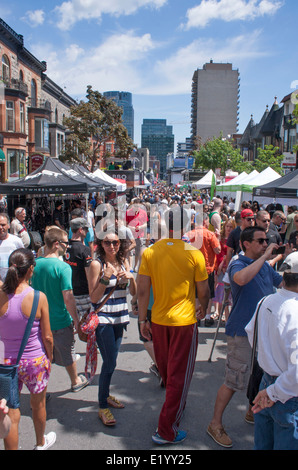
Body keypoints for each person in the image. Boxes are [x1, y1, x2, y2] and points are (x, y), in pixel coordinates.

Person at [137, 207, 210, 444]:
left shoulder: (150, 252)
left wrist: (141, 319)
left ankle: (174, 408)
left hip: (158, 320)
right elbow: (204, 290)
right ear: (187, 224)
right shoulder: (193, 253)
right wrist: (204, 307)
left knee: (170, 373)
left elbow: (142, 290)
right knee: (179, 376)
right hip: (184, 322)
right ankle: (166, 430)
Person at [207, 226, 283, 448]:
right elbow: (239, 280)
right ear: (246, 244)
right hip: (242, 332)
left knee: (261, 375)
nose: (265, 244)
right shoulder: (238, 263)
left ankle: (252, 410)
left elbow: (284, 284)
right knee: (234, 380)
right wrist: (267, 257)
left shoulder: (264, 267)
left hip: (265, 333)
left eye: (265, 241)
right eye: (260, 241)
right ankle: (215, 424)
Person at [0, 248, 55, 450]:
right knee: (38, 404)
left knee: (11, 413)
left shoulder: (0, 295)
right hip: (34, 360)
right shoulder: (38, 297)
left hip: (5, 362)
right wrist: (49, 357)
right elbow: (47, 336)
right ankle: (40, 443)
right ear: (31, 269)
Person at [245, 252, 298, 450]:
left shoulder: (265, 301)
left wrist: (270, 358)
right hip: (287, 393)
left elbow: (253, 335)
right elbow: (296, 374)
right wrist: (274, 391)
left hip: (268, 382)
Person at [88, 232, 136, 426]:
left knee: (112, 361)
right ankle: (102, 405)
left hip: (120, 317)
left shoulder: (123, 261)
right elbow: (93, 297)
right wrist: (106, 278)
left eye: (115, 242)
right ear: (101, 244)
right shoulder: (96, 264)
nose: (112, 246)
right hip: (103, 318)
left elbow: (132, 292)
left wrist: (131, 277)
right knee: (109, 361)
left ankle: (106, 395)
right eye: (107, 242)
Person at [31, 227, 88, 393]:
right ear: (56, 244)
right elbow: (68, 297)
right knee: (68, 353)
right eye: (65, 243)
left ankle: (42, 390)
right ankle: (75, 380)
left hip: (39, 320)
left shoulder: (35, 265)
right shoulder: (63, 267)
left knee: (43, 356)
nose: (67, 247)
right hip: (60, 319)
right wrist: (76, 321)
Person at [187, 212, 221, 326]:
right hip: (207, 269)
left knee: (195, 294)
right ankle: (206, 316)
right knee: (208, 293)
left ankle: (196, 317)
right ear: (205, 221)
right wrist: (218, 238)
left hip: (192, 269)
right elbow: (218, 250)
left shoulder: (189, 234)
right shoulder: (210, 235)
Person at [64, 218, 92, 320]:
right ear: (80, 230)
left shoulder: (65, 247)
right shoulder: (85, 250)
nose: (88, 231)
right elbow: (89, 275)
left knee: (71, 324)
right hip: (83, 293)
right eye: (86, 229)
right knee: (87, 327)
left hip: (68, 291)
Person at [0, 213, 24, 282]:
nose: (1, 227)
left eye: (3, 225)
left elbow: (23, 260)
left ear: (8, 225)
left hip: (13, 282)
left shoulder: (16, 241)